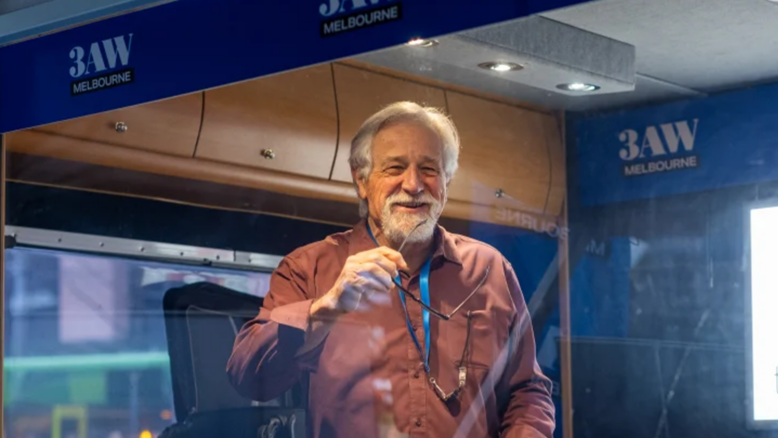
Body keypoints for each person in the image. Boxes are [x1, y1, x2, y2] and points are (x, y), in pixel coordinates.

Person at [227, 101, 556, 438]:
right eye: (395, 168)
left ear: (447, 181)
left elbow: (528, 392)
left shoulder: (490, 270)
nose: (413, 184)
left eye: (429, 169)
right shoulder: (307, 269)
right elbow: (248, 378)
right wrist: (326, 309)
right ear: (361, 180)